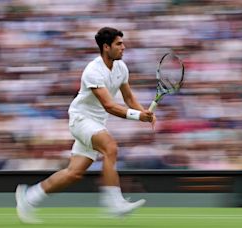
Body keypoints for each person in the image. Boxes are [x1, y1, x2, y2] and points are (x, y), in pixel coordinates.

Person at [15, 27, 156, 224]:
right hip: (81, 119)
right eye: (119, 44)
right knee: (110, 148)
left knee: (74, 173)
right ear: (106, 47)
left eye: (122, 43)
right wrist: (137, 116)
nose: (123, 47)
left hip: (96, 123)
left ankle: (29, 197)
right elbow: (109, 105)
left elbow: (129, 97)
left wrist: (144, 113)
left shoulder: (121, 67)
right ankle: (114, 203)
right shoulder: (92, 71)